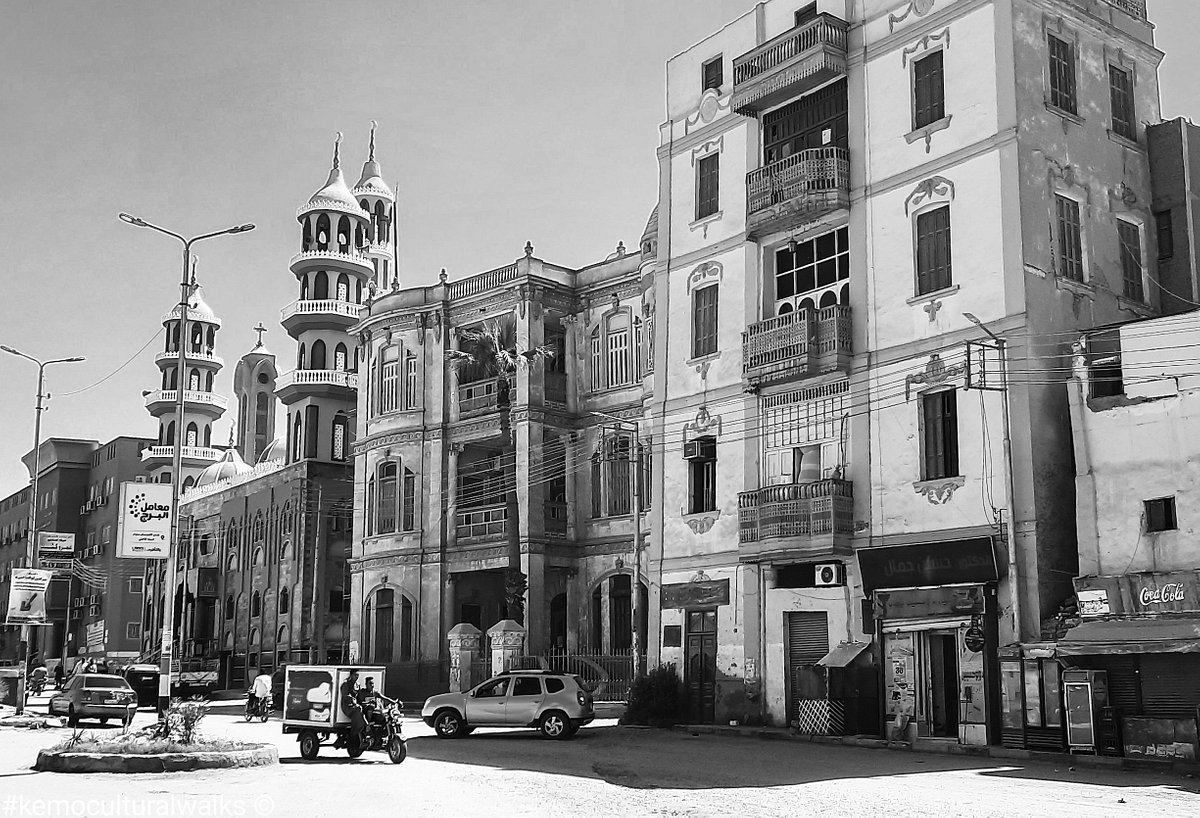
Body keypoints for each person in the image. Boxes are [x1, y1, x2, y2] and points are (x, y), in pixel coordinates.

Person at [340, 668, 367, 745]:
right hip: (348, 707)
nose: (357, 677)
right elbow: (346, 696)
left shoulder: (357, 685)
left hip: (356, 706)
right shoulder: (345, 684)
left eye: (358, 675)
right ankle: (353, 736)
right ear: (351, 675)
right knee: (359, 712)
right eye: (355, 675)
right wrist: (354, 701)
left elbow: (359, 696)